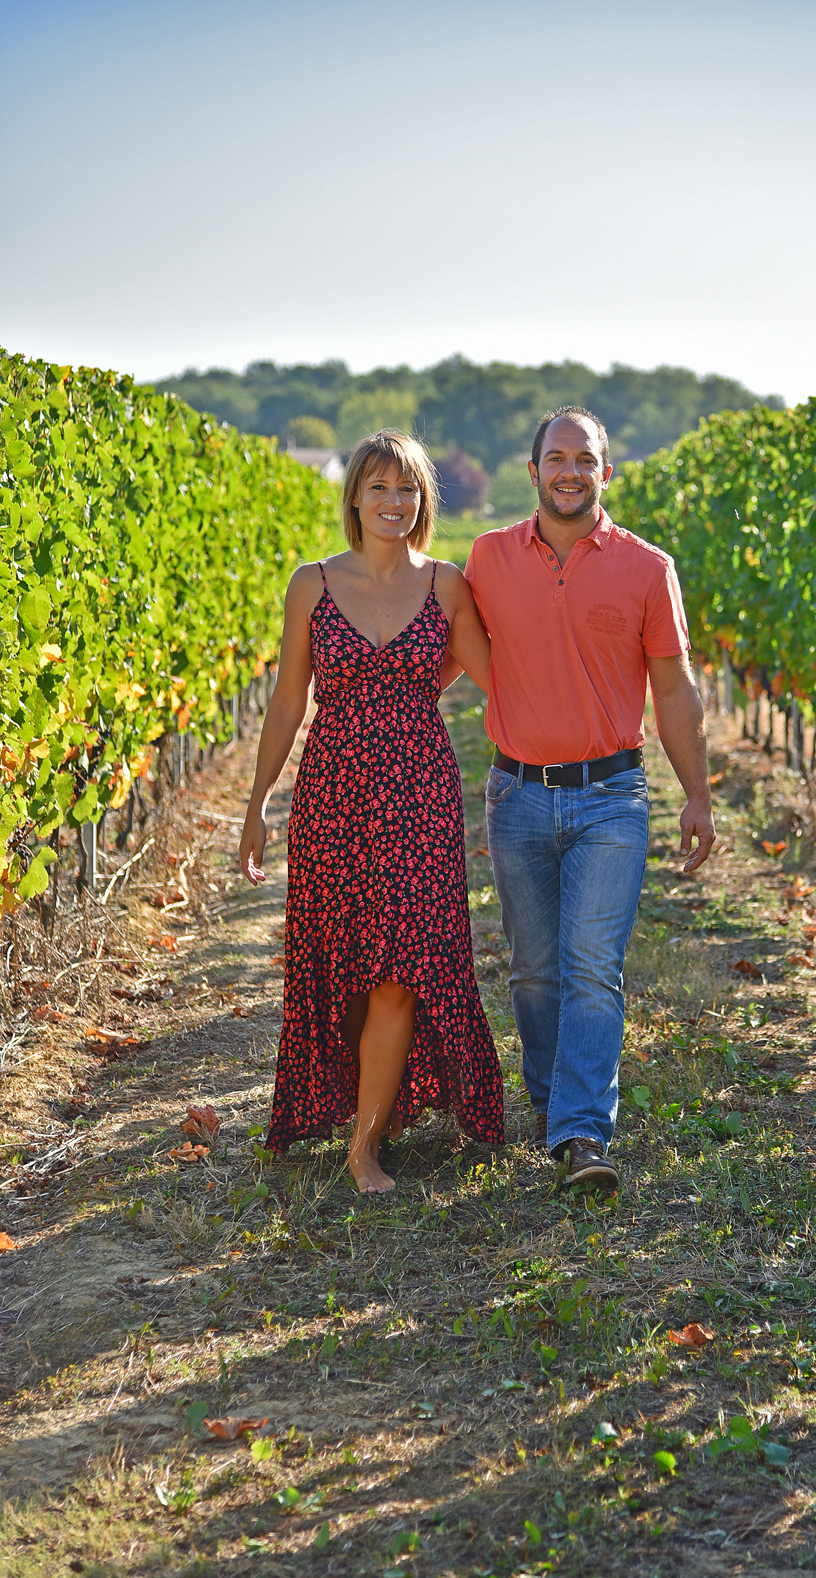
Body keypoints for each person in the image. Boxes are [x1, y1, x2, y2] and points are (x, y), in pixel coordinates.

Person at [239, 430, 504, 1193]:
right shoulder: (312, 583)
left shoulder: (447, 585)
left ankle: (364, 1148)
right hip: (332, 794)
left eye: (409, 489)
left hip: (421, 794)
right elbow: (289, 701)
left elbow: (497, 676)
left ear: (424, 501)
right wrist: (257, 805)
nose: (395, 502)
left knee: (400, 968)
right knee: (347, 964)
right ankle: (372, 1107)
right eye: (380, 488)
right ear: (353, 495)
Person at [464, 407, 715, 1194]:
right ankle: (550, 1105)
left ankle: (581, 1133)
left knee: (590, 968)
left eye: (586, 459)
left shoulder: (648, 568)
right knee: (534, 971)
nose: (570, 471)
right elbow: (439, 651)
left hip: (613, 797)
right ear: (532, 470)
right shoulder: (487, 558)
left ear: (607, 472)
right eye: (556, 457)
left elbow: (674, 690)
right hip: (519, 795)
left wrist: (698, 798)